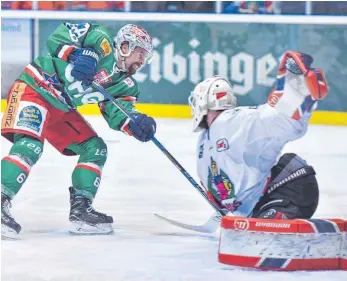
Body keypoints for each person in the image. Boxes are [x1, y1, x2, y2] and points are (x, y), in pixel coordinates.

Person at [1, 23, 156, 237]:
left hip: (61, 108)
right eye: (140, 53)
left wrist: (136, 123)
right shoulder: (101, 40)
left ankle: (81, 210)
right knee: (31, 145)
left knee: (95, 148)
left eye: (146, 57)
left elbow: (118, 113)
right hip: (35, 87)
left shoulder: (126, 85)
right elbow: (56, 37)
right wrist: (78, 54)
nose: (142, 61)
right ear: (125, 46)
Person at [188, 51, 328, 220]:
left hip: (289, 192)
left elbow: (275, 121)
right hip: (262, 203)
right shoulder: (205, 140)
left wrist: (296, 90)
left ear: (204, 101)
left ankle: (277, 215)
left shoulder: (232, 121)